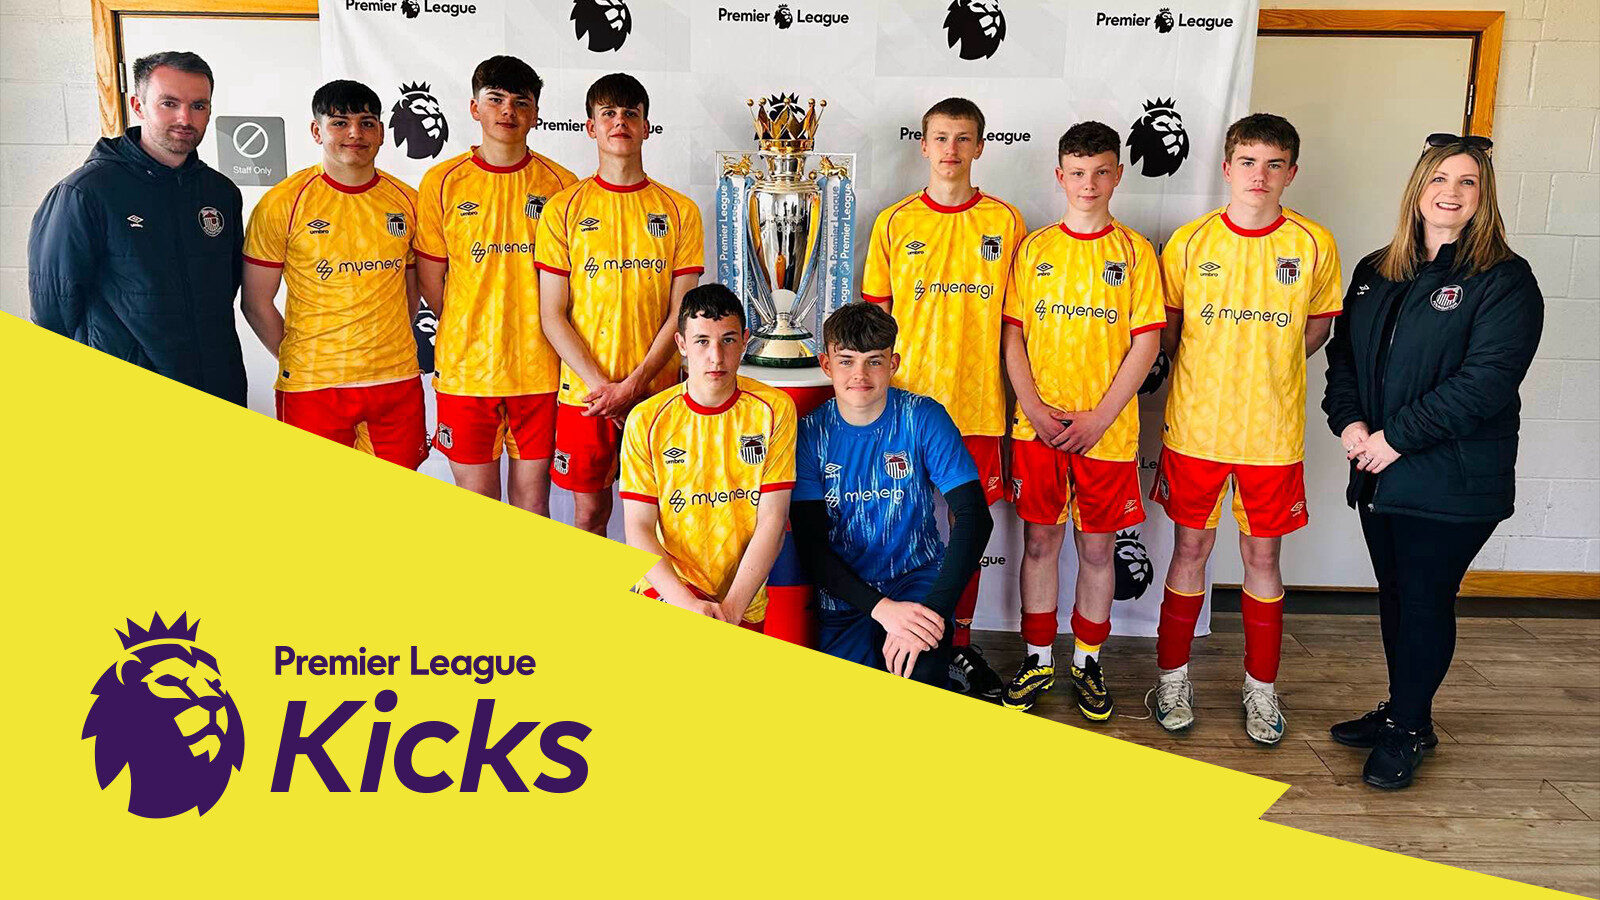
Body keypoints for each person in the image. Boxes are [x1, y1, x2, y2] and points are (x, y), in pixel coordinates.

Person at [1322, 134, 1542, 790]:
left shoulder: (1503, 280)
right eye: (1440, 178)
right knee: (1398, 597)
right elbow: (1345, 360)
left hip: (1451, 476)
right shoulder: (1375, 269)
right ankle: (1402, 708)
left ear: (1484, 196)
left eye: (1467, 182)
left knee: (1423, 599)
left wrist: (1395, 439)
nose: (1450, 191)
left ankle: (1411, 727)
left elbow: (1485, 383)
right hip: (1380, 471)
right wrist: (1352, 422)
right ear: (1418, 187)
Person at [1149, 114, 1342, 745]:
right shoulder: (1189, 242)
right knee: (1189, 552)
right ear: (1227, 168)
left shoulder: (1314, 243)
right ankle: (1171, 680)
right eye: (1249, 161)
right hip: (1196, 432)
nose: (1261, 175)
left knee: (1263, 557)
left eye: (1275, 163)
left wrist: (1271, 369)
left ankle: (1262, 689)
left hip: (1272, 435)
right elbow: (1170, 336)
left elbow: (1315, 330)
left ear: (1292, 172)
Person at [860, 97, 1024, 699]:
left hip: (977, 406)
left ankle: (955, 647)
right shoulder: (895, 222)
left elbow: (1014, 326)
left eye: (963, 138)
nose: (951, 149)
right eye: (940, 138)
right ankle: (894, 635)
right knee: (896, 524)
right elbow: (875, 325)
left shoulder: (1006, 223)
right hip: (902, 409)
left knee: (965, 532)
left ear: (980, 147)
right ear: (923, 145)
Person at [999, 122, 1165, 717]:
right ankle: (1038, 658)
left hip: (1108, 434)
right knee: (1040, 542)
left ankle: (1088, 663)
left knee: (1097, 551)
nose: (1088, 184)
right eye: (1077, 172)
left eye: (1100, 172)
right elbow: (1013, 335)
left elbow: (1146, 345)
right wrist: (1034, 409)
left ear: (1118, 174)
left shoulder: (1136, 253)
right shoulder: (1036, 248)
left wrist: (1099, 417)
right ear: (1059, 176)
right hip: (1037, 430)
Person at [791, 303, 995, 687]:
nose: (860, 375)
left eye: (874, 361)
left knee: (921, 674)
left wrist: (930, 610)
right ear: (826, 364)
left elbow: (974, 516)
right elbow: (811, 544)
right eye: (847, 361)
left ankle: (944, 666)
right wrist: (882, 610)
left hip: (916, 584)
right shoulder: (810, 435)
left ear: (894, 363)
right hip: (846, 597)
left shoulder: (923, 417)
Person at [536, 73, 703, 536]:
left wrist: (634, 385)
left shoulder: (679, 209)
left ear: (647, 126)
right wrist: (604, 390)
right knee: (589, 516)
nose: (620, 122)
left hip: (658, 392)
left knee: (665, 520)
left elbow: (682, 315)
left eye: (631, 113)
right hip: (585, 397)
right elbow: (552, 314)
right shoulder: (563, 208)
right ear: (590, 128)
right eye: (607, 113)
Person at [29, 51, 247, 405]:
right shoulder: (85, 192)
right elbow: (53, 314)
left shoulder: (220, 193)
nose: (184, 118)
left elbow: (227, 288)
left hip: (219, 386)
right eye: (169, 103)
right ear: (137, 105)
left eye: (198, 105)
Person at [415, 56, 577, 513]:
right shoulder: (441, 181)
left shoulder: (562, 185)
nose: (508, 110)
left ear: (535, 114)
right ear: (474, 108)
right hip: (467, 373)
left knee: (532, 507)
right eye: (496, 99)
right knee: (477, 508)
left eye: (520, 102)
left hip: (540, 373)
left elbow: (569, 289)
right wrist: (474, 323)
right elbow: (432, 279)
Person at [240, 80, 426, 469]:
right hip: (314, 388)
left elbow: (411, 291)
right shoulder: (282, 203)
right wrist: (302, 358)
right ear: (316, 131)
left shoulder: (408, 201)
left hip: (395, 382)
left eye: (367, 122)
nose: (355, 133)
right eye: (340, 122)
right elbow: (256, 303)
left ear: (381, 133)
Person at [619, 284, 796, 629]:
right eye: (702, 341)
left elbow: (773, 521)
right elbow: (638, 528)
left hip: (741, 597)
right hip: (670, 592)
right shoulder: (647, 418)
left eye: (728, 340)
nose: (716, 357)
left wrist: (731, 610)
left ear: (745, 340)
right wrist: (686, 603)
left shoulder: (774, 409)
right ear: (682, 344)